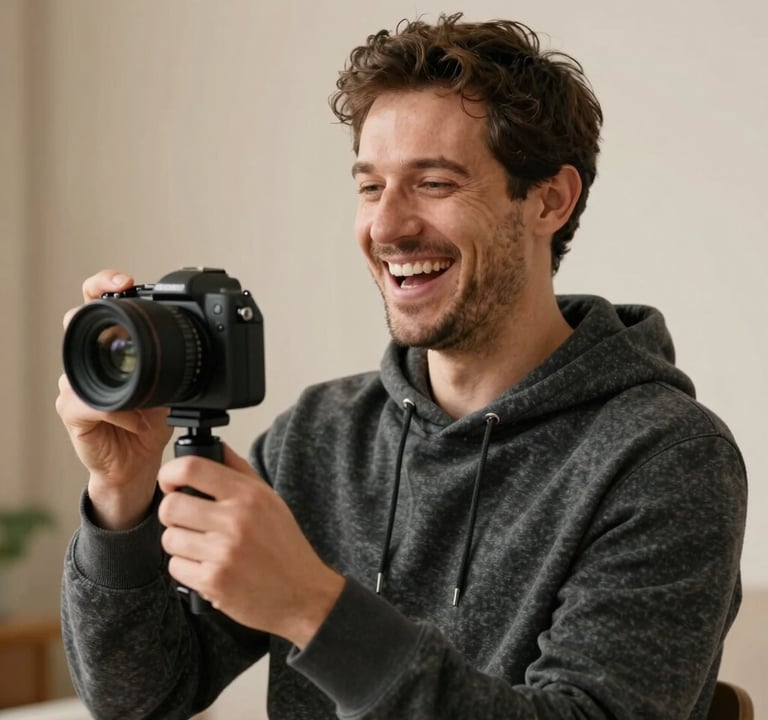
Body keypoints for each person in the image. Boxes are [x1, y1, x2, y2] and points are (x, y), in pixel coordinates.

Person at [56, 13, 747, 720]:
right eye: (369, 186)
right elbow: (141, 697)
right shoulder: (318, 438)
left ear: (549, 199)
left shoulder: (665, 456)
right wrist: (120, 492)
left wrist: (313, 609)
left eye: (435, 182)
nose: (386, 227)